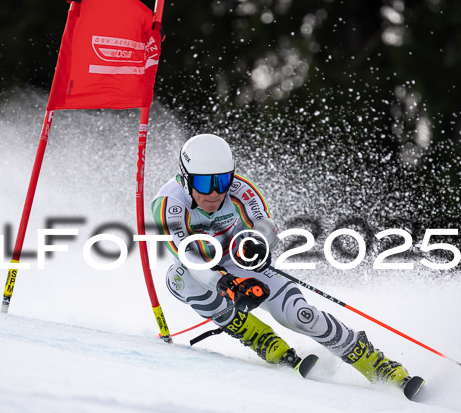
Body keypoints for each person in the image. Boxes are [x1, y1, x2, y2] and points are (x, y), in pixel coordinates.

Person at [152, 133, 413, 387]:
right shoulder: (169, 204)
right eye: (203, 183)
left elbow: (265, 224)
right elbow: (189, 256)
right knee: (178, 278)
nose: (214, 193)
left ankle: (374, 362)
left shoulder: (240, 190)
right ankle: (258, 337)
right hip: (203, 270)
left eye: (221, 181)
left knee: (301, 315)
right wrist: (225, 284)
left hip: (240, 260)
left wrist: (258, 243)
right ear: (186, 179)